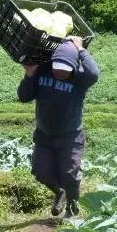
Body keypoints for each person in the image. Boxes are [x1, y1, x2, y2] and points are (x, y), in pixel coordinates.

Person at [17, 36, 100, 217]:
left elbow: (94, 73)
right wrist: (30, 74)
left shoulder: (80, 80)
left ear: (73, 66)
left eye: (64, 70)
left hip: (71, 135)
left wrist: (80, 49)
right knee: (40, 171)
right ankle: (58, 192)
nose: (58, 73)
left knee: (70, 175)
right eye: (56, 67)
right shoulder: (43, 71)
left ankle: (71, 209)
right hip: (44, 134)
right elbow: (24, 96)